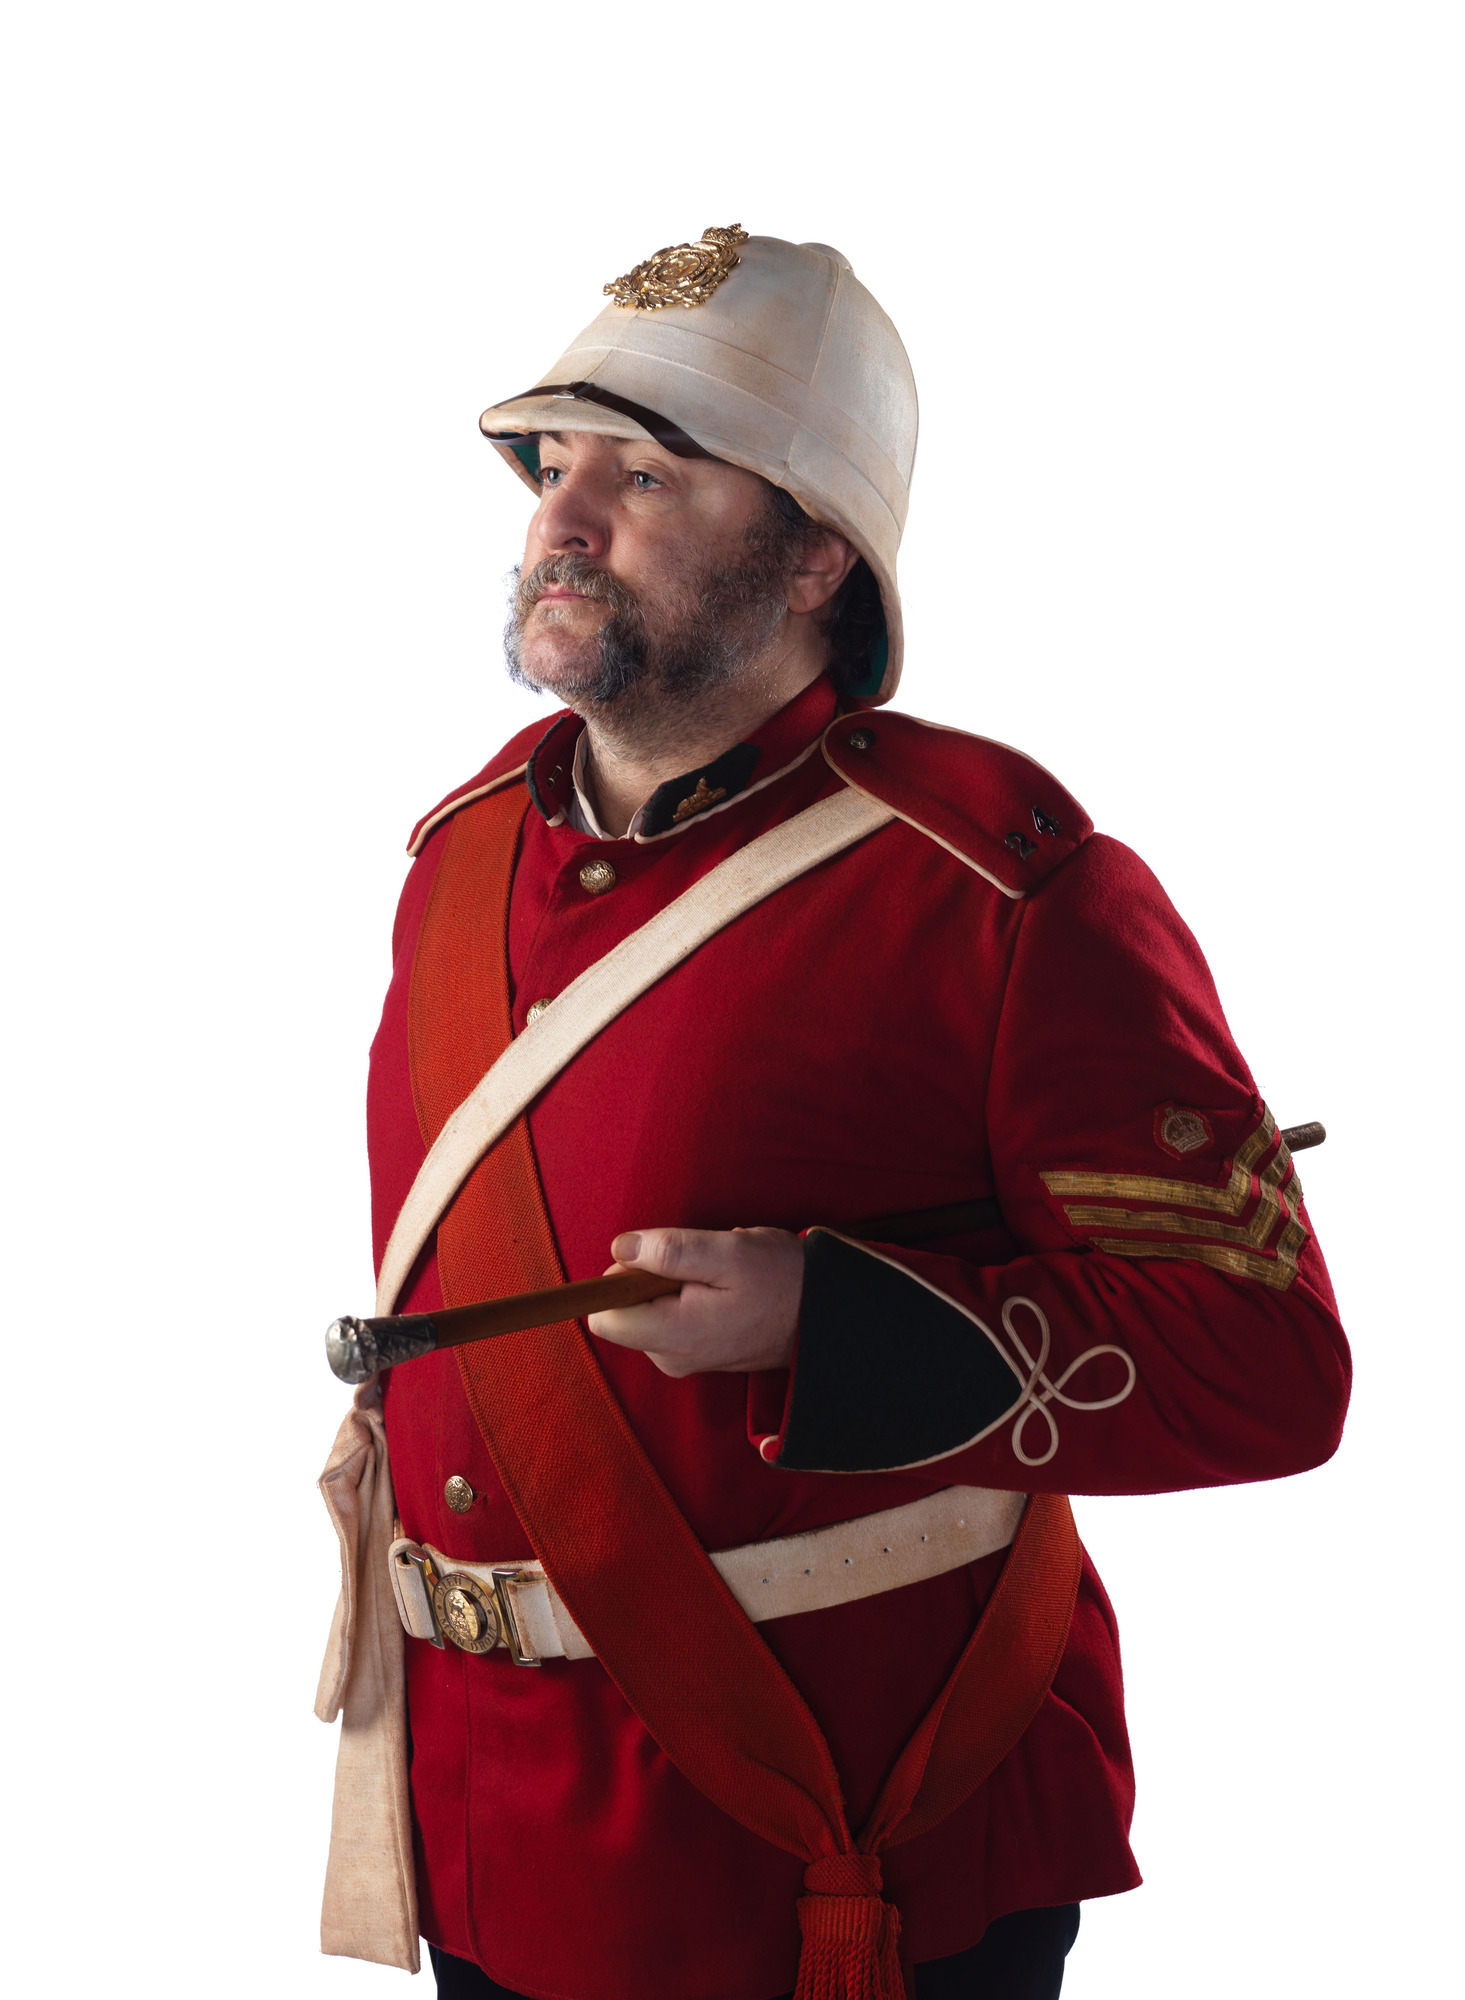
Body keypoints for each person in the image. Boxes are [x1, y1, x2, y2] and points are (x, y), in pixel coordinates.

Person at [315, 228, 1350, 2000]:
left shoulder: (1000, 890)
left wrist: (832, 1324)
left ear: (814, 554)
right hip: (486, 1818)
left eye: (648, 477)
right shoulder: (460, 853)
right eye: (553, 466)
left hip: (831, 1828)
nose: (564, 521)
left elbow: (1261, 1365)